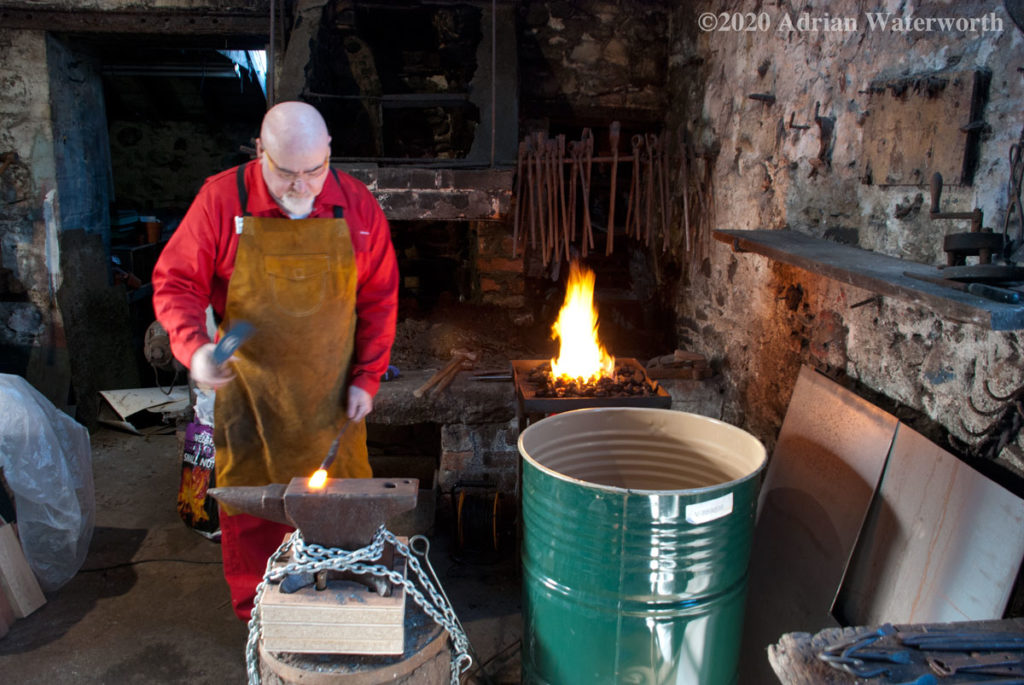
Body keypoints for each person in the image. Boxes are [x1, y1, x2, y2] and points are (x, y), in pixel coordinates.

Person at [152, 101, 399, 620]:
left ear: (328, 152)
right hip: (249, 394)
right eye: (286, 172)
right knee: (253, 508)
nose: (301, 186)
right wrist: (195, 347)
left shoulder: (357, 206)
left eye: (314, 170)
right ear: (260, 151)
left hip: (331, 395)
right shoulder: (221, 200)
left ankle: (342, 606)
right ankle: (261, 617)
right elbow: (176, 282)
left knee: (343, 507)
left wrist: (367, 377)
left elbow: (380, 299)